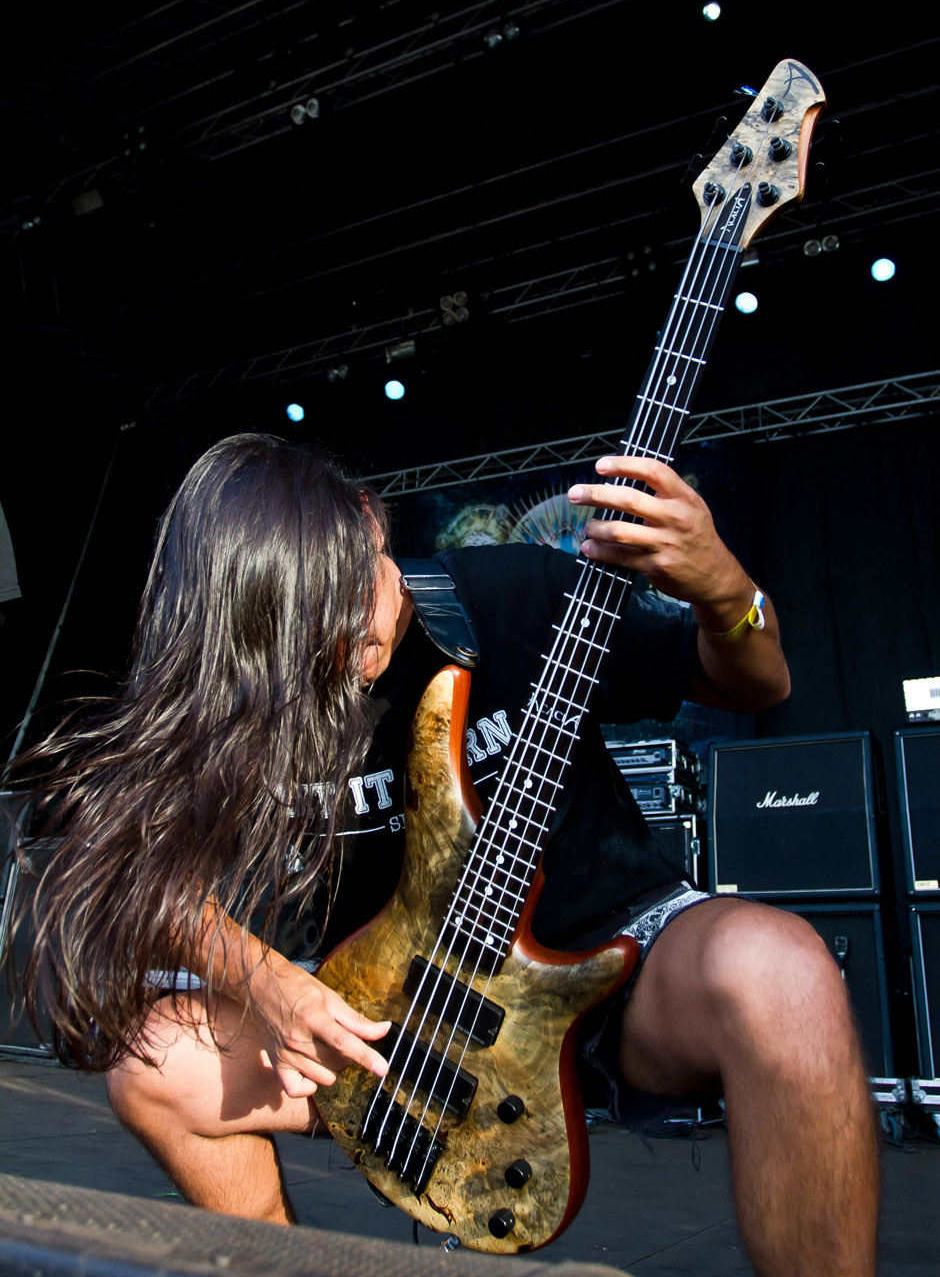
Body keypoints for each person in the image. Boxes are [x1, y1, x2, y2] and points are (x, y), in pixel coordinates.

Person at [17, 432, 877, 1277]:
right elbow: (137, 880)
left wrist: (729, 592)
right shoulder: (244, 696)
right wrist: (269, 981)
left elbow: (755, 683)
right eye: (310, 626)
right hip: (414, 1016)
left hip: (618, 963)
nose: (353, 641)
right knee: (156, 1062)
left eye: (359, 591)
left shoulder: (518, 597)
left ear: (370, 522)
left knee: (784, 973)